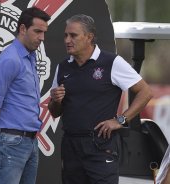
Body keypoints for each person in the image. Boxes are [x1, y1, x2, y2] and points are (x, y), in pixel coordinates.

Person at [48, 14, 153, 184]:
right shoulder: (63, 66)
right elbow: (54, 112)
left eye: (73, 35)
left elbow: (145, 92)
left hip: (101, 145)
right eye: (65, 35)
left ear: (89, 37)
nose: (67, 40)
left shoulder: (112, 62)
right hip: (71, 145)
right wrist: (56, 101)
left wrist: (120, 120)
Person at [0, 7, 50, 184]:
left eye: (44, 33)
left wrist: (0, 133)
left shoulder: (30, 56)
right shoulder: (10, 59)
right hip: (12, 143)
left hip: (29, 142)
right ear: (22, 29)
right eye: (37, 31)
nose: (42, 38)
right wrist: (2, 135)